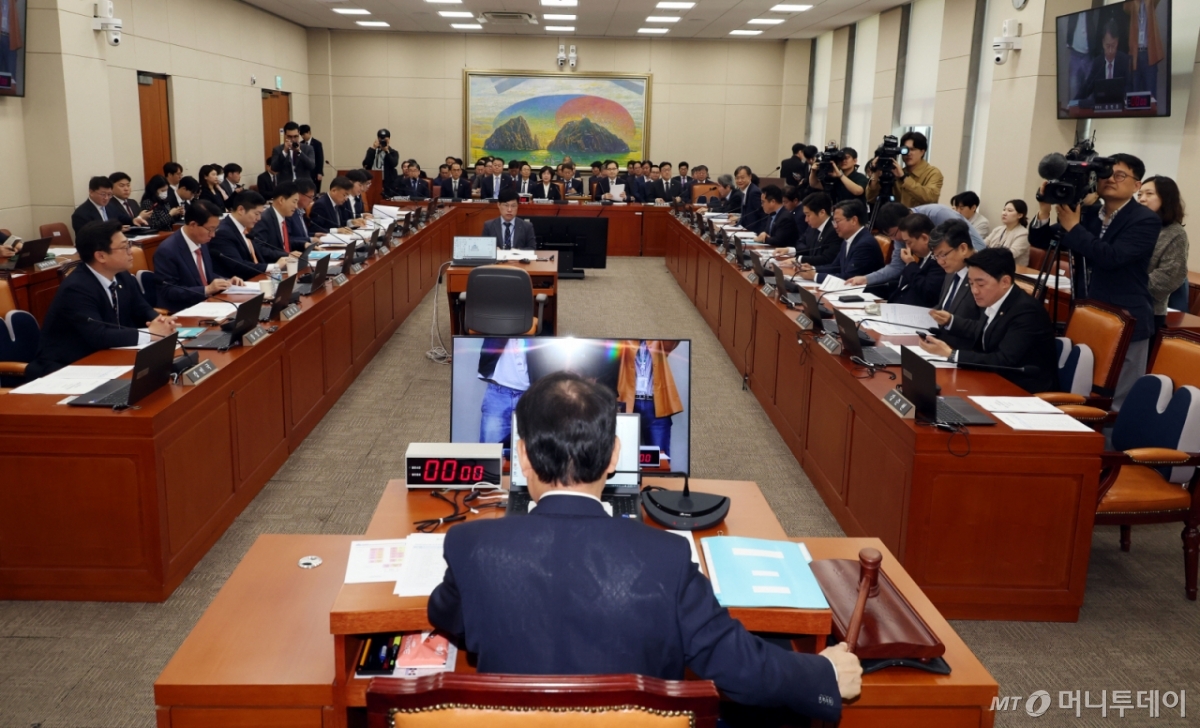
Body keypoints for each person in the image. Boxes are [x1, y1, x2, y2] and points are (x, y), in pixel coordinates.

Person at [429, 371, 859, 724]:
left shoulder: (471, 545)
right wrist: (823, 672)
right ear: (614, 456)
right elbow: (741, 668)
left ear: (522, 456)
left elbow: (445, 615)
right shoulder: (666, 557)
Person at [1030, 152, 1160, 409]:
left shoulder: (1145, 219)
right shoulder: (1089, 214)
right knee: (1080, 385)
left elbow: (1112, 257)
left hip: (1126, 317)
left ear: (1136, 185)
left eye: (1119, 175)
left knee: (1117, 399)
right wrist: (1044, 209)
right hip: (1088, 313)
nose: (1110, 179)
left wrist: (1074, 227)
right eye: (1105, 174)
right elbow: (1041, 240)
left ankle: (1111, 436)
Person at [25, 221, 177, 380]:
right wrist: (151, 334)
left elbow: (141, 308)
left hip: (107, 356)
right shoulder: (76, 288)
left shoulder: (122, 276)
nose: (131, 251)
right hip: (67, 367)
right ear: (101, 256)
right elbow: (99, 335)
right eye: (124, 246)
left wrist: (160, 321)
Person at [919, 248, 1058, 393]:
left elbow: (1003, 360)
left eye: (980, 284)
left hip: (1024, 390)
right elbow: (985, 330)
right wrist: (951, 321)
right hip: (994, 379)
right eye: (971, 283)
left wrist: (951, 354)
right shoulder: (996, 298)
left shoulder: (1027, 311)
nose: (974, 291)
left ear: (1005, 282)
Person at [847, 202, 986, 290]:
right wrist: (866, 279)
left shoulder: (938, 214)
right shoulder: (902, 233)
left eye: (894, 234)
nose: (895, 240)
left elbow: (971, 244)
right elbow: (896, 266)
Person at [152, 201, 243, 313]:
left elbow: (204, 275)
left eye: (215, 229)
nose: (213, 235)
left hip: (208, 304)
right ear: (193, 225)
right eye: (210, 229)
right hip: (184, 310)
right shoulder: (167, 251)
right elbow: (168, 291)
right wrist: (206, 290)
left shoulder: (202, 242)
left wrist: (226, 281)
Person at [1137, 175, 1189, 330]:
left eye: (1149, 194)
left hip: (1149, 310)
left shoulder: (1175, 233)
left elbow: (1169, 276)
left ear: (1166, 199)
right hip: (1116, 304)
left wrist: (1130, 286)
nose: (1142, 199)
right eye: (1139, 194)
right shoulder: (1134, 226)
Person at [796, 200, 883, 283]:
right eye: (834, 222)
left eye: (837, 221)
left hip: (866, 291)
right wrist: (812, 269)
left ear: (854, 220)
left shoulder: (865, 244)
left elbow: (849, 277)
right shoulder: (847, 239)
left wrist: (815, 276)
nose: (835, 226)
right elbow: (836, 267)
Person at [926, 219, 981, 349]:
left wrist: (951, 322)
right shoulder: (952, 270)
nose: (940, 262)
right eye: (936, 256)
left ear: (963, 248)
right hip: (938, 343)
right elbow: (944, 306)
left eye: (943, 255)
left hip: (963, 351)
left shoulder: (983, 276)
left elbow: (987, 329)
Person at [210, 191, 287, 279]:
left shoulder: (244, 229)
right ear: (241, 210)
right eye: (257, 214)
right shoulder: (223, 233)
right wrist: (275, 266)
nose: (259, 218)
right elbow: (238, 265)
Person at [866, 131, 943, 208]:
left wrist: (904, 177)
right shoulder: (895, 172)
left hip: (920, 215)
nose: (908, 153)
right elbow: (871, 198)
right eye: (905, 150)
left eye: (912, 149)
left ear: (922, 152)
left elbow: (931, 198)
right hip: (897, 215)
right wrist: (875, 174)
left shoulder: (933, 173)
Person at [886, 214, 945, 307]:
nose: (908, 247)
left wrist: (910, 264)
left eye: (909, 242)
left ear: (924, 238)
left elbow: (928, 292)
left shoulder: (939, 261)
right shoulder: (923, 257)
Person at [776, 192, 835, 264]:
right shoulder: (813, 227)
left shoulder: (834, 230)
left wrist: (799, 259)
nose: (806, 220)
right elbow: (801, 243)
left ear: (822, 213)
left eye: (808, 215)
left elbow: (826, 259)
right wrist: (789, 250)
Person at [1080, 20, 1131, 102]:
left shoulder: (1124, 60)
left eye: (1113, 45)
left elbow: (1129, 87)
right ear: (1103, 43)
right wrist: (1073, 103)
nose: (1110, 51)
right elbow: (1087, 87)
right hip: (1100, 105)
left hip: (1119, 105)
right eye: (1107, 46)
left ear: (1117, 42)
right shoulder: (1098, 62)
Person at [252, 181, 305, 259]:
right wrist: (286, 255)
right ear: (281, 200)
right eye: (294, 202)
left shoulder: (284, 217)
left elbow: (283, 243)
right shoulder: (264, 219)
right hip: (275, 264)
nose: (296, 206)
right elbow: (259, 248)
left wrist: (304, 244)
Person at [1125, 0, 1164, 97]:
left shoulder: (1150, 2)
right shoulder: (1132, 4)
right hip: (1135, 55)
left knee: (1151, 94)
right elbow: (1125, 7)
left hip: (1149, 54)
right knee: (1134, 94)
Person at [983, 200, 1031, 266]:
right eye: (1004, 210)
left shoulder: (1023, 234)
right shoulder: (998, 229)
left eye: (1009, 210)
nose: (1004, 213)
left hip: (1011, 269)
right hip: (992, 264)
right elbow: (983, 244)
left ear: (1020, 215)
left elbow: (1009, 254)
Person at [751, 185, 799, 250]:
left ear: (772, 202)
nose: (762, 205)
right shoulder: (772, 214)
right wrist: (763, 234)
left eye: (763, 202)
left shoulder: (785, 217)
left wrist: (763, 238)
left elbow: (777, 241)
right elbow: (767, 233)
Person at [299, 124, 325, 192]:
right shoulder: (300, 144)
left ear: (309, 132)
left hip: (315, 172)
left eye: (304, 134)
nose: (302, 137)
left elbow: (320, 158)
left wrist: (319, 172)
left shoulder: (317, 143)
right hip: (304, 173)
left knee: (315, 190)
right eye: (301, 135)